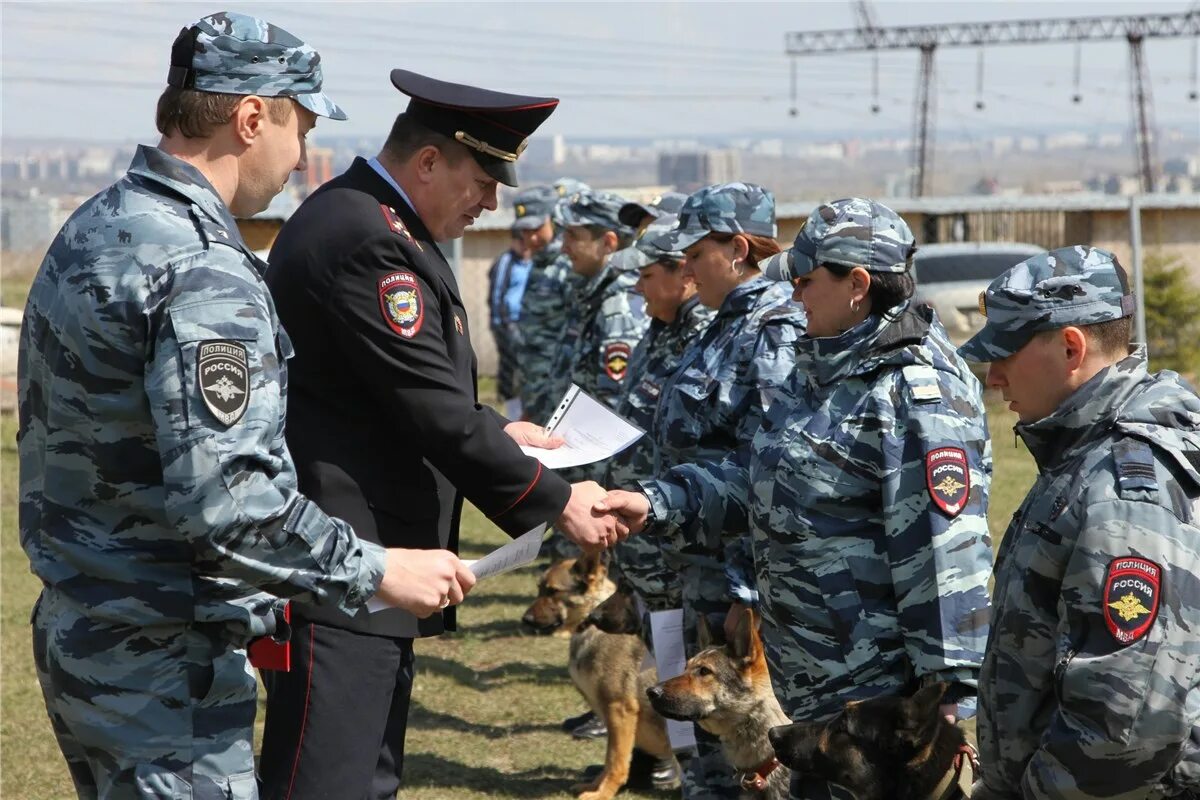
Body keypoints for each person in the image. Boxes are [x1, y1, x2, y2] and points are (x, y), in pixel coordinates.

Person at [18, 12, 475, 799]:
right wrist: (378, 570)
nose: (300, 158)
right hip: (166, 668)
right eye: (298, 126)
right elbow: (229, 504)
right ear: (251, 116)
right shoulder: (201, 266)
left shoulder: (97, 226)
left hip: (84, 633)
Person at [259, 70, 624, 800]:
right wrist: (558, 502)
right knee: (327, 783)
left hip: (371, 571)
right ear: (428, 162)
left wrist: (501, 433)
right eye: (484, 180)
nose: (491, 202)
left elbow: (404, 393)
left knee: (367, 778)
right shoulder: (369, 238)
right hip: (345, 573)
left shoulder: (377, 226)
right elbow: (429, 407)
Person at [601, 198, 995, 800]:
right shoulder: (819, 368)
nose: (796, 294)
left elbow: (945, 559)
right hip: (810, 674)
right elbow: (764, 481)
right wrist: (657, 501)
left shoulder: (916, 389)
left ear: (857, 285)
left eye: (808, 281)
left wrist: (943, 700)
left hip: (874, 696)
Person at [956, 246, 1200, 799]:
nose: (994, 377)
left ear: (1071, 348)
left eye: (1005, 354)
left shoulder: (1123, 488)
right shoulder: (1087, 451)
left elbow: (1125, 723)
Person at [634, 182, 807, 800]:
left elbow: (770, 470)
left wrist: (746, 590)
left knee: (750, 747)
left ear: (737, 249)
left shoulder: (773, 329)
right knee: (707, 736)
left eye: (694, 253)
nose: (683, 267)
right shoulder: (722, 325)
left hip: (740, 577)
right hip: (702, 565)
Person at [517, 179, 590, 425]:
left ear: (554, 221)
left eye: (537, 228)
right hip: (536, 389)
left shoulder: (566, 267)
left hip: (559, 394)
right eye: (525, 231)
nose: (531, 237)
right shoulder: (539, 265)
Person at [486, 224, 533, 406]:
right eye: (521, 241)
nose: (525, 246)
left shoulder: (529, 262)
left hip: (524, 321)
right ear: (513, 242)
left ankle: (520, 399)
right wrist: (505, 322)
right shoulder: (505, 261)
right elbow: (497, 294)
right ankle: (506, 399)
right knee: (509, 363)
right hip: (505, 322)